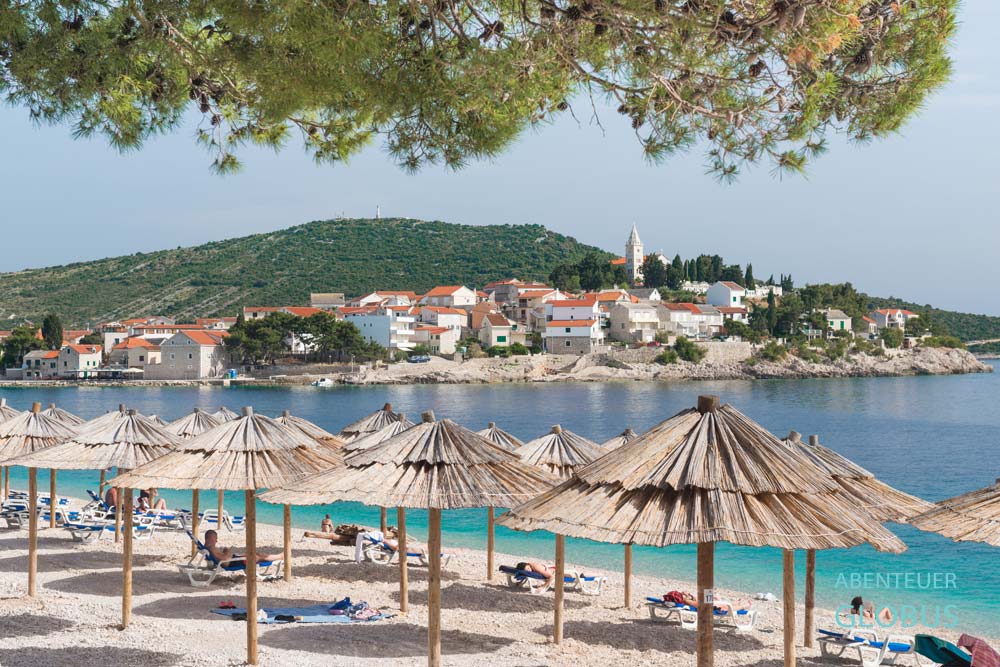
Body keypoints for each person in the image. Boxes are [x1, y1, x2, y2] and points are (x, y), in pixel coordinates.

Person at [203, 529, 274, 565]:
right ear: (211, 538)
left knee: (257, 555)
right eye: (216, 538)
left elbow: (221, 557)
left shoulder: (207, 548)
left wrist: (225, 552)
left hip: (234, 559)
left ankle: (277, 557)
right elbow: (225, 560)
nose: (216, 541)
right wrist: (227, 552)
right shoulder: (211, 549)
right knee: (256, 557)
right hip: (233, 562)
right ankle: (278, 557)